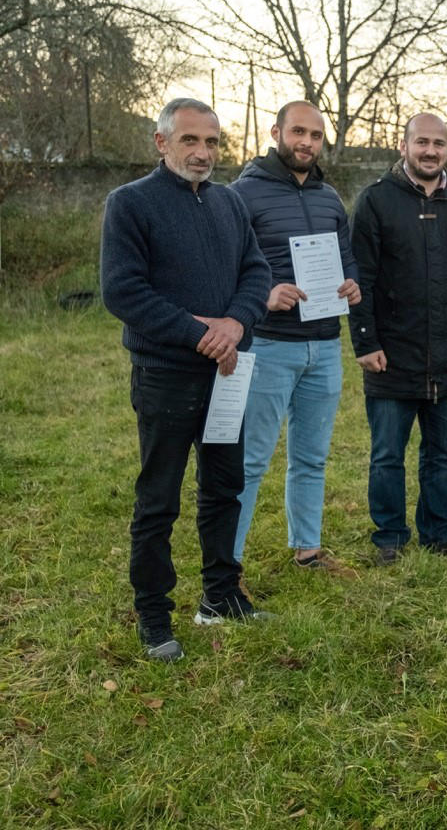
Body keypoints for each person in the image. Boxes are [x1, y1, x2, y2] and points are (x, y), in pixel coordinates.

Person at [100, 98, 272, 662]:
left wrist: (237, 322)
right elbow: (123, 291)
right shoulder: (130, 204)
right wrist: (200, 333)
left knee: (224, 488)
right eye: (191, 141)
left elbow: (257, 271)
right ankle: (154, 614)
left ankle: (221, 596)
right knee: (159, 499)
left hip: (228, 376)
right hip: (166, 377)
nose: (203, 153)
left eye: (213, 142)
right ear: (161, 142)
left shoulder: (229, 203)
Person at [349, 112, 447, 565]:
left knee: (441, 455)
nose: (430, 151)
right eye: (422, 142)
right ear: (404, 145)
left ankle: (438, 533)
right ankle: (389, 537)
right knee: (388, 454)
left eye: (439, 143)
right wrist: (365, 341)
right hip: (391, 354)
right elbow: (361, 277)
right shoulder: (375, 201)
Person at [230, 101, 360, 577]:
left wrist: (352, 284)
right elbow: (224, 268)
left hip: (325, 345)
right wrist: (264, 293)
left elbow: (348, 260)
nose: (307, 142)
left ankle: (307, 549)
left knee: (311, 457)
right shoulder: (242, 194)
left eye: (316, 135)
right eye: (298, 132)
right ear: (276, 133)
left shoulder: (329, 198)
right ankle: (230, 564)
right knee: (250, 461)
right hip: (268, 344)